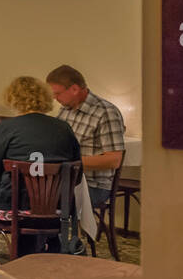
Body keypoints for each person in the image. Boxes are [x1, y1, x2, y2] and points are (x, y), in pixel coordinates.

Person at [0, 76, 82, 275]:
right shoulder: (64, 128)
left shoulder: (7, 128)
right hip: (57, 211)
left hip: (12, 209)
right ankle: (38, 258)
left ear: (13, 98)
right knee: (28, 206)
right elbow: (77, 174)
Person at [46, 65, 126, 211]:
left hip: (92, 185)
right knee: (24, 191)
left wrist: (69, 163)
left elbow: (114, 160)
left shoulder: (105, 112)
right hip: (65, 180)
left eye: (57, 94)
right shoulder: (66, 110)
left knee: (41, 199)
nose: (55, 98)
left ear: (74, 89)